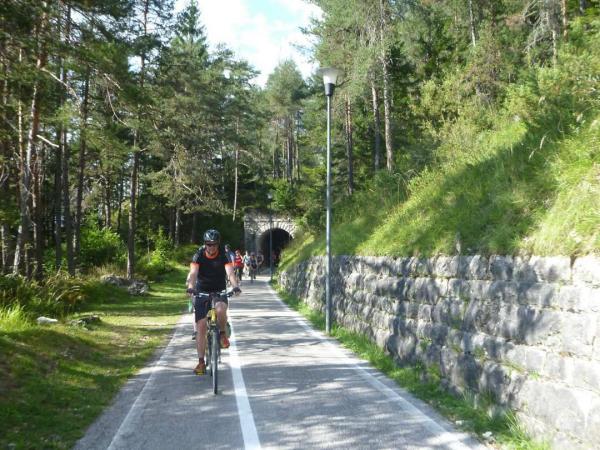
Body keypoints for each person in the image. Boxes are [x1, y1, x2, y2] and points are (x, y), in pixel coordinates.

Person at [186, 229, 241, 375]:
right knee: (201, 326)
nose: (211, 247)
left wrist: (235, 286)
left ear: (218, 244)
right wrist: (191, 287)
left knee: (221, 308)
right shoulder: (198, 255)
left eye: (214, 244)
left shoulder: (223, 255)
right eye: (209, 244)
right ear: (205, 244)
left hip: (219, 290)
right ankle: (201, 362)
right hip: (202, 291)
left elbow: (230, 273)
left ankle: (222, 334)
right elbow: (193, 274)